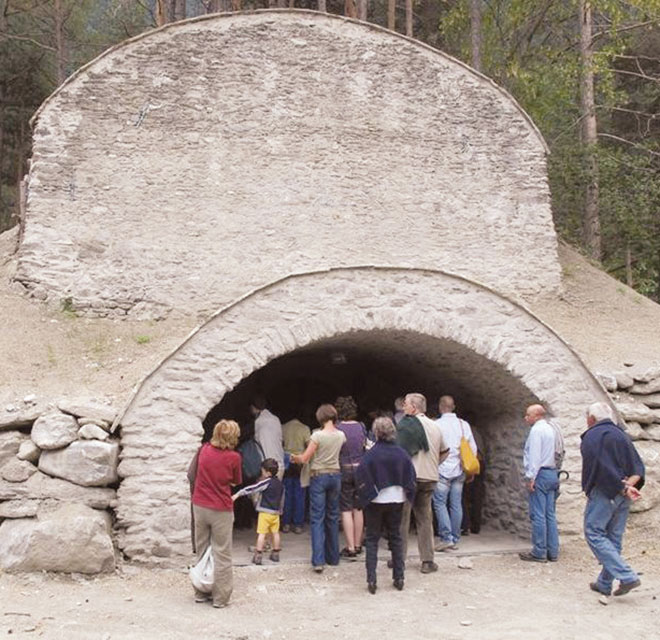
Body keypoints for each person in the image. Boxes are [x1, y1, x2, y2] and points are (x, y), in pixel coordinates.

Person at [581, 401, 645, 596]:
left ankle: (627, 575)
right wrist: (628, 486)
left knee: (594, 532)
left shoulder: (592, 436)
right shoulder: (621, 435)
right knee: (613, 538)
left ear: (591, 419)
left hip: (605, 492)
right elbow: (638, 467)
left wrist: (619, 487)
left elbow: (600, 467)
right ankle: (604, 583)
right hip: (624, 493)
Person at [357, 416, 416, 594]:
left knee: (372, 539)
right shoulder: (401, 453)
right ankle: (399, 577)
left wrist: (364, 495)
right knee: (396, 538)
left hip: (376, 499)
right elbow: (410, 474)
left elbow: (361, 474)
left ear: (376, 432)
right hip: (397, 498)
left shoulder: (372, 454)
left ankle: (372, 580)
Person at [190, 419, 242, 608]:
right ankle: (220, 598)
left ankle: (200, 592)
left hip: (200, 505)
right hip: (221, 508)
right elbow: (236, 481)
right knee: (222, 553)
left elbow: (192, 473)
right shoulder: (233, 457)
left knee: (201, 549)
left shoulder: (203, 449)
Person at [396, 393, 449, 574]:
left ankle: (399, 558)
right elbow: (445, 451)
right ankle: (427, 560)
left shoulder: (405, 426)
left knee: (402, 519)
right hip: (429, 477)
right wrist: (433, 465)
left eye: (405, 404)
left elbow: (398, 451)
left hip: (409, 477)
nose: (403, 407)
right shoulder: (436, 426)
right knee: (425, 519)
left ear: (414, 407)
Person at [290, 404, 346, 573]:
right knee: (333, 516)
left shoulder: (317, 435)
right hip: (335, 476)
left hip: (319, 476)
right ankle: (333, 558)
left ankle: (318, 560)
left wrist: (294, 458)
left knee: (317, 518)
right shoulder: (341, 435)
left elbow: (305, 458)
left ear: (320, 417)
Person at [433, 395, 477, 551]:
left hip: (442, 469)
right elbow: (473, 449)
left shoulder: (436, 425)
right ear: (454, 407)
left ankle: (446, 538)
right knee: (456, 504)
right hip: (459, 469)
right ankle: (455, 537)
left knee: (440, 504)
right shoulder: (463, 424)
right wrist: (469, 470)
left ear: (440, 406)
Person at [519, 404, 560, 563]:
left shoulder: (536, 430)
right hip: (552, 472)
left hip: (540, 474)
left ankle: (539, 551)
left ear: (536, 415)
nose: (526, 417)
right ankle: (553, 551)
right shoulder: (551, 429)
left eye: (528, 414)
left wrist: (530, 477)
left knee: (538, 515)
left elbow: (534, 456)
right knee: (550, 514)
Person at [232, 458, 285, 564]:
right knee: (275, 533)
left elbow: (253, 488)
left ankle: (258, 554)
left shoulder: (266, 482)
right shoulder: (280, 484)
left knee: (261, 534)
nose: (262, 473)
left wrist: (238, 494)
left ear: (267, 472)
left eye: (262, 471)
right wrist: (280, 510)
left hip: (265, 513)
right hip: (275, 514)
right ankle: (275, 553)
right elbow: (282, 498)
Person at [335, 395, 368, 560]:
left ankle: (350, 547)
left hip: (345, 468)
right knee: (359, 508)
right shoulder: (361, 426)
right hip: (360, 469)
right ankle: (358, 543)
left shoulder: (338, 428)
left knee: (346, 509)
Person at [281, 416, 311, 533]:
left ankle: (286, 524)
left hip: (287, 461)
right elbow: (309, 446)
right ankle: (298, 525)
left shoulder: (283, 427)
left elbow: (280, 443)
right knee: (300, 495)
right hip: (300, 463)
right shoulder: (304, 428)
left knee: (287, 494)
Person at [250, 395, 284, 479]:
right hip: (279, 464)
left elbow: (257, 441)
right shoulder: (276, 419)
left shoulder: (259, 422)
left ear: (254, 408)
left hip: (267, 467)